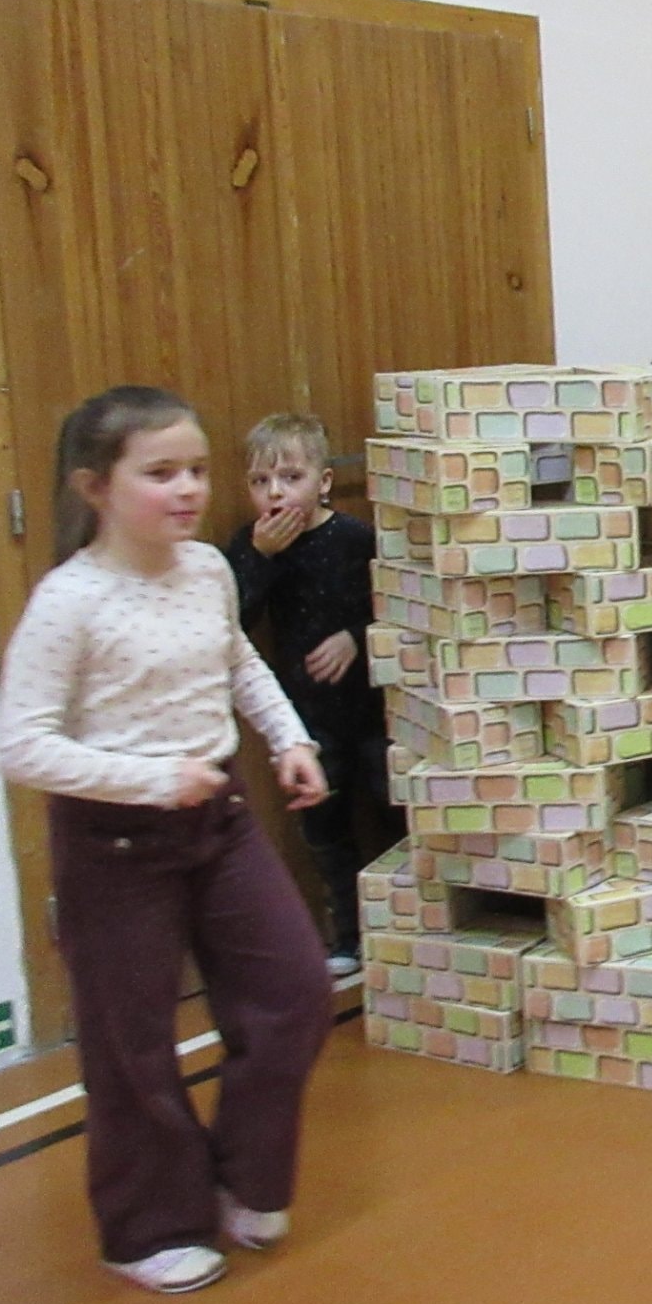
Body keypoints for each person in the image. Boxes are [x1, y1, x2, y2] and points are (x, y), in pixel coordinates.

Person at [0, 387, 333, 1293]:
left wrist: (290, 739)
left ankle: (245, 1177)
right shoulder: (70, 600)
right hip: (114, 843)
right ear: (95, 487)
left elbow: (238, 662)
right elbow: (23, 744)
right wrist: (150, 781)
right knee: (131, 1044)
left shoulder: (209, 570)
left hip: (218, 820)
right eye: (160, 473)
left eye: (196, 470)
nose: (187, 489)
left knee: (295, 992)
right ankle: (147, 1227)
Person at [223, 414, 397, 976]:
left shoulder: (354, 539)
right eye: (260, 481)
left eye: (290, 477)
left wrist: (355, 638)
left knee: (392, 813)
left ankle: (405, 930)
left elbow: (393, 608)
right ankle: (348, 937)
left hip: (373, 710)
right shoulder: (249, 547)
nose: (275, 493)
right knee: (325, 832)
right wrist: (260, 556)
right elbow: (231, 622)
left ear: (323, 482)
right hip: (308, 718)